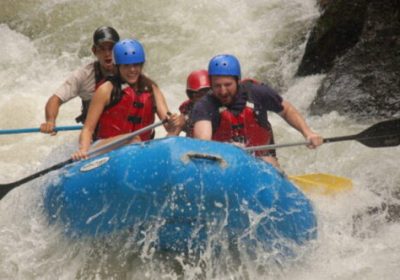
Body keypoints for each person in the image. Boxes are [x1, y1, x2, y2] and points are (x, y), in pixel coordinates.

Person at [191, 54, 323, 167]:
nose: (223, 91)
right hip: (222, 161)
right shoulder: (204, 105)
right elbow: (203, 144)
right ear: (211, 85)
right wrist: (228, 150)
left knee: (269, 163)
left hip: (262, 158)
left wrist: (308, 133)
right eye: (217, 86)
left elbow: (286, 110)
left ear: (237, 81)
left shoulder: (258, 93)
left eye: (227, 85)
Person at [72, 39, 180, 160]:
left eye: (136, 64)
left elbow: (169, 126)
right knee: (132, 139)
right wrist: (83, 150)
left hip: (141, 148)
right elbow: (88, 129)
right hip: (104, 147)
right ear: (118, 67)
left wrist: (174, 121)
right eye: (127, 66)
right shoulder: (106, 90)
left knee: (178, 125)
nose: (132, 70)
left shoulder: (151, 89)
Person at [40, 26, 120, 134]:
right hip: (95, 136)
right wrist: (50, 121)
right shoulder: (83, 75)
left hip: (124, 132)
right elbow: (55, 99)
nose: (107, 53)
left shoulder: (129, 71)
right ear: (94, 51)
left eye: (111, 48)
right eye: (102, 48)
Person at [168, 69, 211, 136]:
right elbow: (169, 139)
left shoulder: (222, 107)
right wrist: (175, 126)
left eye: (202, 93)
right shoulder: (187, 109)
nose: (197, 99)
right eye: (192, 94)